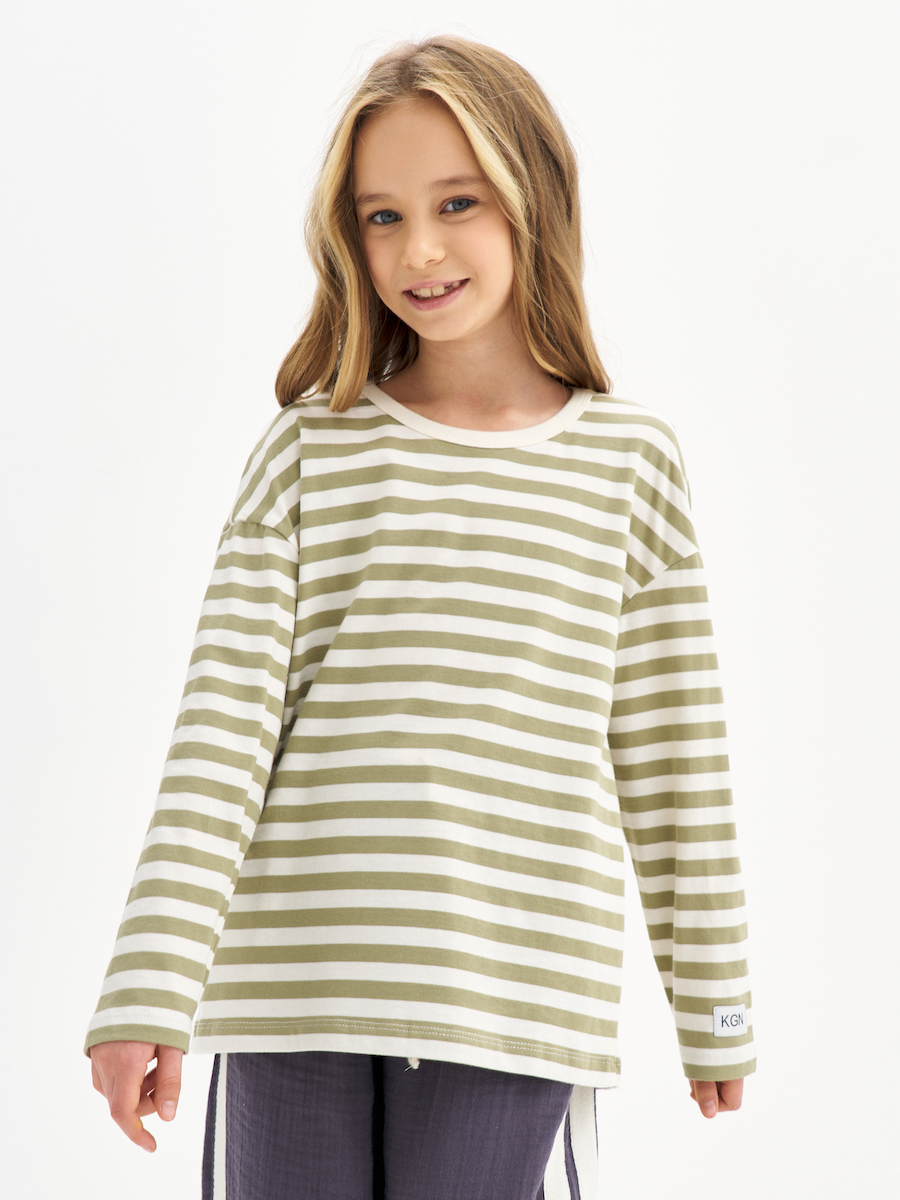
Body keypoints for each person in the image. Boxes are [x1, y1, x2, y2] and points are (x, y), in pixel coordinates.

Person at [86, 35, 755, 1200]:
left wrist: (717, 1005)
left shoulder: (629, 463)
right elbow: (222, 734)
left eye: (457, 203)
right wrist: (150, 981)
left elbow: (673, 755)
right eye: (381, 217)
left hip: (516, 1001)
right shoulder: (310, 450)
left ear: (535, 198)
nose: (419, 251)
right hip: (296, 992)